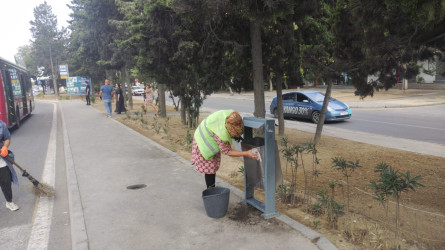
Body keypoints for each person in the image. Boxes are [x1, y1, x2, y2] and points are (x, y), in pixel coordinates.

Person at [192, 110, 258, 188]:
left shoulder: (231, 117)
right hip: (203, 141)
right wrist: (246, 153)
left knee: (213, 167)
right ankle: (211, 191)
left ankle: (212, 188)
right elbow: (228, 151)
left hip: (207, 131)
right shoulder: (221, 134)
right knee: (210, 169)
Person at [0, 120, 19, 211]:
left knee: (6, 181)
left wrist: (4, 147)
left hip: (1, 161)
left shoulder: (1, 125)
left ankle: (9, 202)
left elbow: (7, 138)